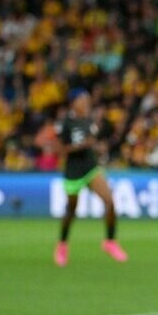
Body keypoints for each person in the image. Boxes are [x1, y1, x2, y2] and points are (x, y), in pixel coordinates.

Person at [53, 90, 128, 267]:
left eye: (87, 100)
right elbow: (60, 150)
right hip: (73, 171)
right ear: (74, 103)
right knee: (71, 211)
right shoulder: (65, 124)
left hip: (90, 167)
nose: (86, 103)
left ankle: (110, 241)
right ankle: (62, 244)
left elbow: (93, 141)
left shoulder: (90, 121)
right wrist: (80, 146)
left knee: (109, 201)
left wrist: (97, 147)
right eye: (82, 100)